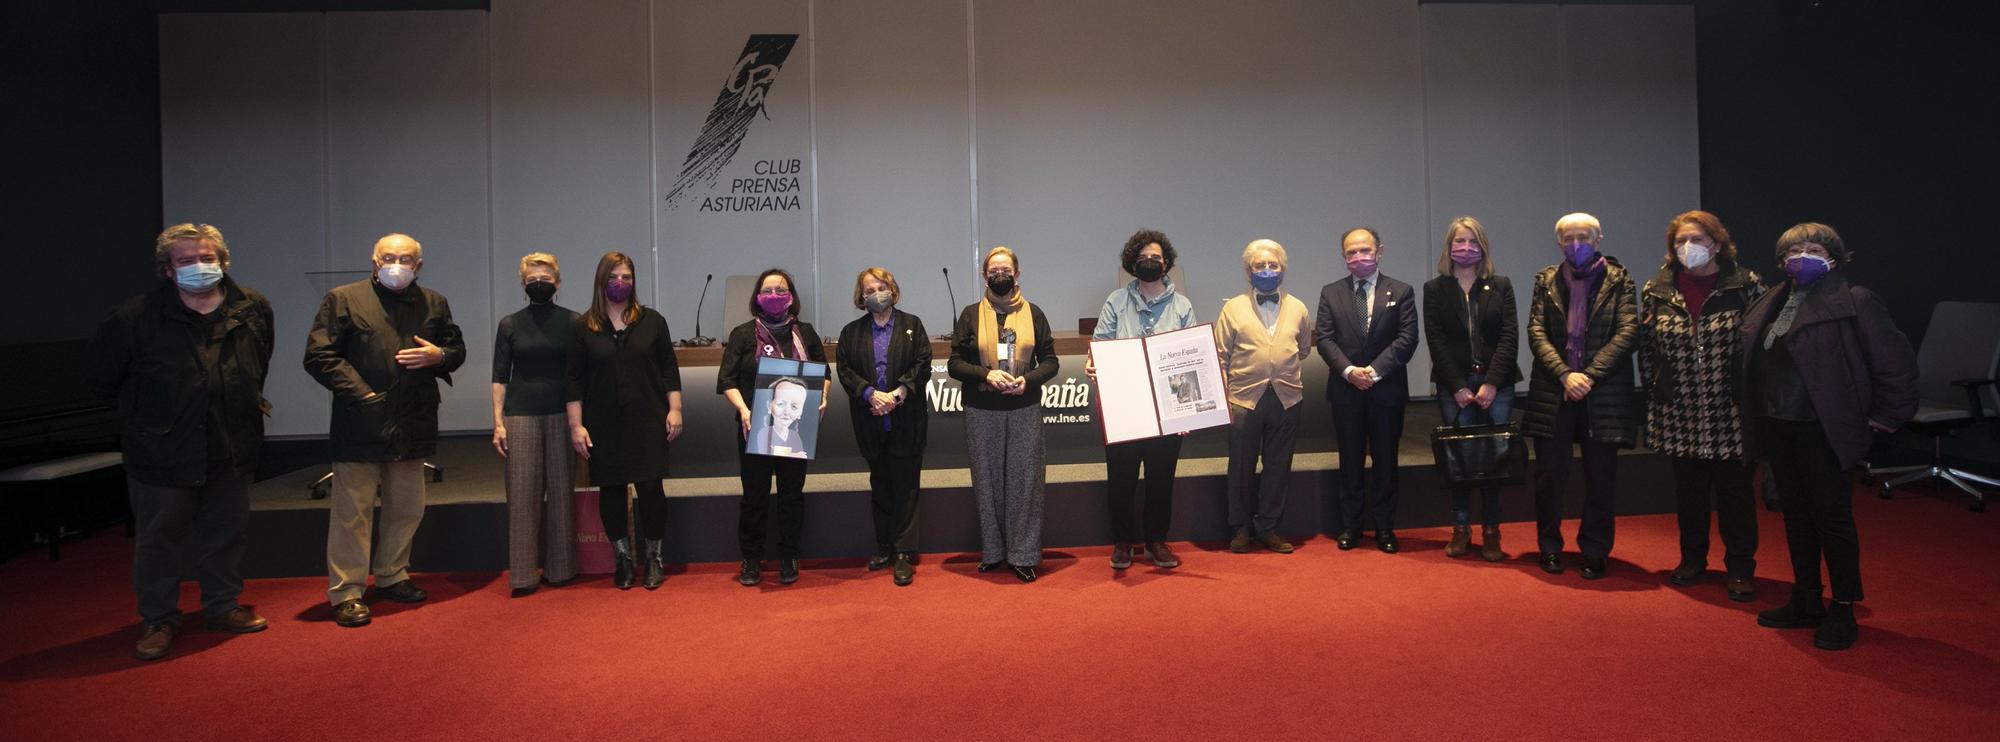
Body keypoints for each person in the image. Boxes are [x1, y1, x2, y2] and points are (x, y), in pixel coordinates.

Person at [85, 223, 274, 660]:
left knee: (227, 533)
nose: (198, 267)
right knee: (159, 538)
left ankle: (222, 606)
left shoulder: (252, 308)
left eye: (207, 258)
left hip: (231, 442)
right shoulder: (133, 318)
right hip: (161, 450)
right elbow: (101, 380)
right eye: (186, 261)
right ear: (167, 271)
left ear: (223, 262)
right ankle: (159, 618)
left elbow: (258, 364)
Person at [1741, 222, 1915, 650]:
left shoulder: (1857, 302)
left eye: (1813, 247)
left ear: (1834, 255)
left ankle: (1843, 607)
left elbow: (1895, 365)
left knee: (1832, 520)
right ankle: (1805, 598)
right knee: (1795, 515)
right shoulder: (1771, 299)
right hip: (1778, 422)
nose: (1802, 254)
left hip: (1824, 427)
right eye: (1793, 249)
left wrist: (1886, 417)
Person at [304, 233, 466, 627]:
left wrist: (438, 356)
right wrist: (363, 395)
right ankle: (346, 591)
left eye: (406, 259)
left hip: (413, 418)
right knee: (352, 512)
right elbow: (319, 355)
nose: (398, 264)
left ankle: (393, 575)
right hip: (360, 419)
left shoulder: (434, 302)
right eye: (389, 257)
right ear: (374, 261)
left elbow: (456, 350)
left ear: (419, 265)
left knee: (406, 507)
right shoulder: (342, 298)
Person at [1639, 211, 1764, 600]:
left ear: (1717, 243)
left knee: (1736, 495)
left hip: (1729, 409)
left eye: (1696, 239)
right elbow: (1648, 352)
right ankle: (1692, 559)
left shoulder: (1745, 285)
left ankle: (1741, 566)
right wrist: (1658, 393)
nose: (1688, 248)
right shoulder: (1657, 290)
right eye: (1679, 242)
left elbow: (1760, 348)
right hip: (1680, 410)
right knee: (1689, 494)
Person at [1521, 213, 1640, 580]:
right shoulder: (1546, 280)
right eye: (1569, 239)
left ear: (1599, 238)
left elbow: (1628, 331)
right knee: (1549, 475)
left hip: (1601, 392)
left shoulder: (1621, 281)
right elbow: (1536, 330)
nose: (1576, 245)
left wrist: (1587, 376)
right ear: (1559, 243)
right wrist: (1564, 374)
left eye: (1584, 238)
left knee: (1600, 476)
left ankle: (1594, 549)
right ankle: (1549, 547)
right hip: (1553, 390)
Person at [565, 252, 683, 591]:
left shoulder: (652, 321)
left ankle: (654, 557)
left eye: (627, 277)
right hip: (602, 421)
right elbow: (572, 380)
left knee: (650, 488)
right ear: (601, 281)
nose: (621, 283)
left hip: (648, 416)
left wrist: (675, 409)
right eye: (614, 276)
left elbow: (668, 368)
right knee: (612, 489)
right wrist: (576, 426)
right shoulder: (582, 327)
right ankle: (622, 559)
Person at [1087, 229, 1197, 570]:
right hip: (1125, 407)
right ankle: (1123, 543)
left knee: (1160, 480)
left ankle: (1156, 542)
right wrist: (1095, 363)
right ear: (1132, 263)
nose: (1150, 262)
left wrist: (1186, 414)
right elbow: (1101, 343)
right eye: (1144, 258)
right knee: (1121, 479)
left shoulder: (1182, 305)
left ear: (1166, 264)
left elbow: (1190, 357)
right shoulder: (1116, 301)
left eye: (1156, 258)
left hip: (1167, 409)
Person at [949, 246, 1060, 582]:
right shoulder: (969, 314)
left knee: (1025, 483)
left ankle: (1023, 555)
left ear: (1017, 273)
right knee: (988, 483)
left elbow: (1051, 361)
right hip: (982, 410)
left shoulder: (1034, 313)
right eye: (993, 270)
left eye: (1006, 269)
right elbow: (954, 363)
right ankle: (994, 552)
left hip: (1024, 408)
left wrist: (1028, 380)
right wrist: (986, 374)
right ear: (985, 275)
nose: (1000, 275)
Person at [720, 268, 828, 587]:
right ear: (756, 297)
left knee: (791, 495)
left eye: (781, 290)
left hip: (796, 426)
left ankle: (788, 555)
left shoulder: (805, 333)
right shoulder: (742, 333)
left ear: (791, 297)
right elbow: (726, 380)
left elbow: (823, 374)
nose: (774, 295)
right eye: (768, 290)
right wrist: (742, 409)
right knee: (754, 495)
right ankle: (751, 558)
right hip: (753, 425)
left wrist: (822, 398)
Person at [1421, 216, 1520, 561]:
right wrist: (1458, 387)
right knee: (1460, 461)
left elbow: (1509, 338)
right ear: (1449, 248)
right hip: (1455, 388)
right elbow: (1436, 342)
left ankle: (1492, 531)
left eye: (1472, 242)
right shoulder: (1435, 289)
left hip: (1498, 386)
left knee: (1495, 460)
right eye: (1459, 242)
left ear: (1483, 247)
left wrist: (1492, 382)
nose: (1465, 248)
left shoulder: (1501, 285)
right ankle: (1461, 528)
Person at [1315, 227, 1419, 553]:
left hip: (1386, 391)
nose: (1358, 257)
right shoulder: (1331, 292)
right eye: (1351, 253)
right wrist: (1349, 371)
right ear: (1344, 256)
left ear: (1379, 251)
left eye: (1365, 251)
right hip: (1346, 392)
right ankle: (1351, 527)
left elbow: (1407, 339)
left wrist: (1373, 372)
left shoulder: (1401, 291)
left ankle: (1385, 528)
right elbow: (1325, 338)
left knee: (1386, 462)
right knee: (1350, 462)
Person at [1215, 239, 1314, 554]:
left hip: (1286, 398)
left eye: (1273, 265)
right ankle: (1240, 527)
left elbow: (1303, 349)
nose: (1267, 270)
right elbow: (1219, 355)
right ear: (1248, 271)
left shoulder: (1298, 307)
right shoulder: (1232, 308)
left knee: (1278, 465)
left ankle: (1268, 526)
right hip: (1243, 398)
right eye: (1260, 265)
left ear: (1283, 269)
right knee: (1241, 467)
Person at [835, 267, 932, 586]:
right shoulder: (851, 332)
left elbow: (923, 364)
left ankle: (904, 553)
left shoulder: (911, 325)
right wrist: (869, 394)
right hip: (870, 418)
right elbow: (845, 369)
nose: (876, 293)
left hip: (906, 417)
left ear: (892, 288)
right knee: (880, 483)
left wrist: (900, 391)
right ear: (860, 297)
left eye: (881, 286)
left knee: (906, 485)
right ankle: (885, 548)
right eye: (868, 289)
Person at [491, 253, 579, 597]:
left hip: (562, 413)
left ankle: (562, 569)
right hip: (520, 414)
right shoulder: (509, 324)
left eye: (545, 277)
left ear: (557, 282)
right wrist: (497, 423)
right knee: (523, 495)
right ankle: (523, 575)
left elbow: (577, 374)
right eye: (532, 278)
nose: (538, 283)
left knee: (561, 492)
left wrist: (579, 421)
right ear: (522, 284)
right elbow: (499, 377)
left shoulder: (574, 322)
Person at [747, 377, 810, 457]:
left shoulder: (795, 436)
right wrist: (793, 454)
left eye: (794, 406)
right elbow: (766, 451)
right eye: (781, 404)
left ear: (800, 412)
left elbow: (802, 456)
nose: (787, 412)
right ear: (769, 406)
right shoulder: (764, 433)